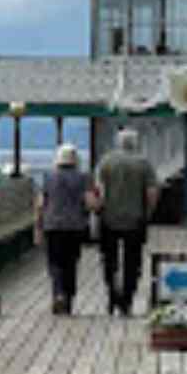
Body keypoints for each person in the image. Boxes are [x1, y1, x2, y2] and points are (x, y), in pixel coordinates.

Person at [91, 128, 160, 316]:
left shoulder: (106, 162)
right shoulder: (144, 164)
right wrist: (148, 213)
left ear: (118, 143)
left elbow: (98, 191)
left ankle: (113, 296)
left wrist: (98, 211)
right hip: (135, 220)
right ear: (135, 143)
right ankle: (127, 299)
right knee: (133, 262)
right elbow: (152, 193)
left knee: (109, 261)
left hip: (108, 219)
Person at [35, 143, 94, 315]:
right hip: (75, 226)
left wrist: (37, 228)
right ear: (75, 160)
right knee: (71, 262)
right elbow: (90, 203)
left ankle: (58, 293)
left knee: (55, 262)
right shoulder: (83, 178)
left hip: (52, 225)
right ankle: (68, 298)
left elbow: (40, 205)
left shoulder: (48, 177)